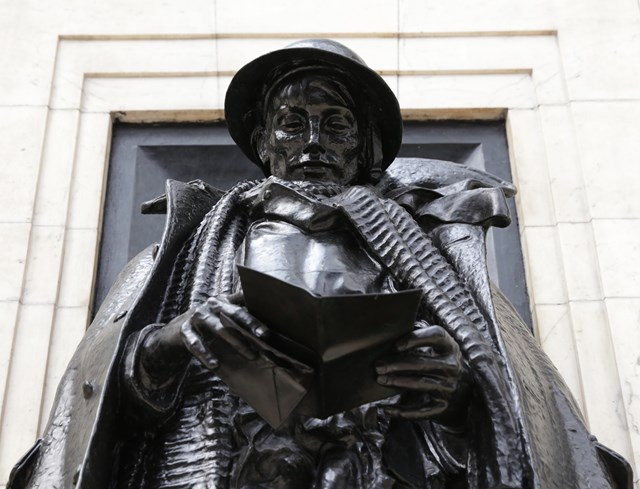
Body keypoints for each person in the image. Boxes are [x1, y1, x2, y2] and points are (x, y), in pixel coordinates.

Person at [8, 39, 632, 489]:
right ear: (261, 143)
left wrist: (460, 392)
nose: (310, 142)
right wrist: (170, 344)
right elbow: (100, 417)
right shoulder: (178, 256)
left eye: (334, 125)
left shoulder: (440, 263)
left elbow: (511, 409)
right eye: (290, 124)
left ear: (365, 148)